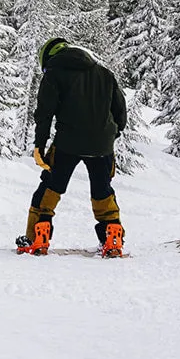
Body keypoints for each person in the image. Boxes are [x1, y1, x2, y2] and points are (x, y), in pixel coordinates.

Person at [17, 37, 129, 257]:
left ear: (47, 59)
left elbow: (44, 113)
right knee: (102, 190)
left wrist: (39, 145)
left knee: (50, 187)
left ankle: (37, 237)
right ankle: (112, 237)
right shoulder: (104, 73)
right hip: (102, 145)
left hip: (68, 142)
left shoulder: (53, 74)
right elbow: (120, 111)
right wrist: (110, 134)